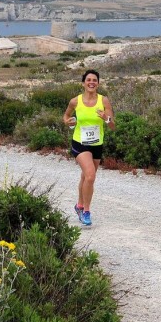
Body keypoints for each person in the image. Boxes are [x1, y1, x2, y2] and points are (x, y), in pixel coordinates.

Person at [63, 69, 115, 226]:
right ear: (83, 83)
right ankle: (86, 211)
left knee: (86, 177)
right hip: (80, 143)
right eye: (88, 80)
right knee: (90, 176)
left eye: (94, 80)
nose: (91, 82)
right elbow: (65, 116)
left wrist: (106, 119)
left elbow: (113, 126)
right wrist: (68, 121)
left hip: (97, 144)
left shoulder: (103, 101)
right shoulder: (75, 101)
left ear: (98, 84)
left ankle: (79, 205)